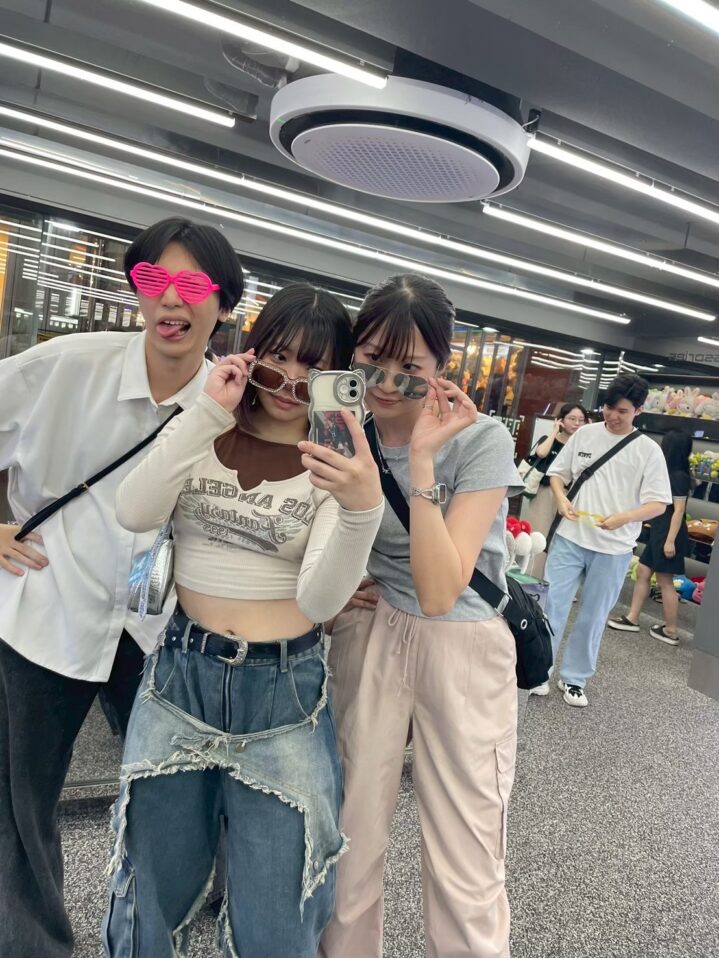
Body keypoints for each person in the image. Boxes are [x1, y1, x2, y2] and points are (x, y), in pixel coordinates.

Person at [104, 283, 384, 958]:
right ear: (253, 350)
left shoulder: (335, 464)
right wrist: (206, 411)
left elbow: (320, 601)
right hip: (180, 676)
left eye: (313, 365)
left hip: (282, 692)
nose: (290, 379)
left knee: (276, 915)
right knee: (150, 888)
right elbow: (133, 510)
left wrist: (362, 508)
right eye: (279, 355)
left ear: (337, 375)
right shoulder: (207, 424)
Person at [0, 216, 243, 958]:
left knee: (182, 800)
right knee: (18, 804)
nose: (171, 299)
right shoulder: (64, 368)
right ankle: (32, 944)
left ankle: (161, 931)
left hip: (167, 629)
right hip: (49, 608)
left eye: (193, 285)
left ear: (224, 304)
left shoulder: (236, 403)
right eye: (153, 280)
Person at [317, 274, 523, 958]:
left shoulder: (480, 440)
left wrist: (426, 459)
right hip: (372, 627)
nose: (385, 382)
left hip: (462, 640)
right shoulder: (343, 427)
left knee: (466, 852)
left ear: (441, 367)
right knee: (348, 836)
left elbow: (439, 589)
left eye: (409, 367)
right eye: (372, 359)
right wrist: (333, 592)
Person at [535, 373, 672, 707]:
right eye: (609, 408)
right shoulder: (585, 433)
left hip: (614, 547)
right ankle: (539, 671)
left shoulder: (648, 451)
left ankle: (574, 679)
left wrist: (624, 517)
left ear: (638, 410)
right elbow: (557, 474)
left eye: (622, 411)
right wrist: (561, 499)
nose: (612, 416)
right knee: (551, 606)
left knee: (594, 615)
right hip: (570, 537)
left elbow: (659, 503)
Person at [608, 430, 692, 645]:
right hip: (660, 531)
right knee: (643, 571)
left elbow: (679, 510)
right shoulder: (670, 472)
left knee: (665, 581)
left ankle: (671, 630)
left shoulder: (678, 476)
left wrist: (670, 540)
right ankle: (632, 618)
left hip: (669, 533)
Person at [522, 402, 588, 578]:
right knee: (539, 533)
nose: (577, 423)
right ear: (561, 420)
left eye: (581, 420)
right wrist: (554, 432)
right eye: (572, 419)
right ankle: (530, 576)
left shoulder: (585, 445)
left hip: (571, 496)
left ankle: (553, 581)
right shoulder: (551, 439)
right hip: (546, 493)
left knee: (563, 540)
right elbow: (541, 453)